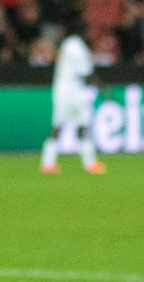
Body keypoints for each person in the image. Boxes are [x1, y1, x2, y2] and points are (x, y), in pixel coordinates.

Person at [41, 18, 105, 175]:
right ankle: (90, 163)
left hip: (62, 89)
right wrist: (103, 88)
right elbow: (87, 73)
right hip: (72, 91)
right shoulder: (77, 45)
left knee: (59, 126)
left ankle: (47, 163)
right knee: (82, 125)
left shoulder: (68, 44)